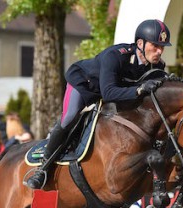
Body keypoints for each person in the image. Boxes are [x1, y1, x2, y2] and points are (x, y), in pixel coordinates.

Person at [25, 19, 171, 189]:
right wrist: (138, 90)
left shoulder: (156, 66)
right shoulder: (116, 56)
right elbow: (109, 92)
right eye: (155, 46)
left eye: (162, 47)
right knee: (70, 117)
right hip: (84, 84)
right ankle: (43, 168)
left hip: (111, 93)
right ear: (140, 43)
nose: (159, 51)